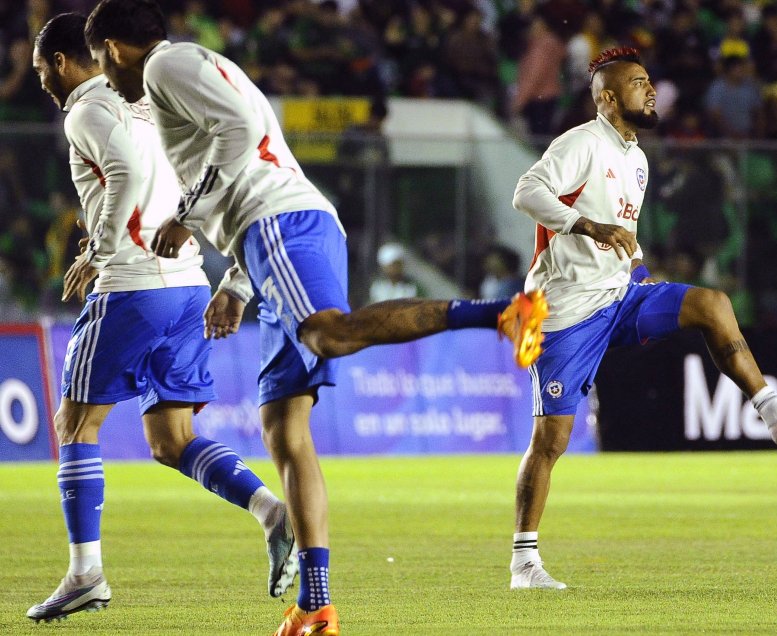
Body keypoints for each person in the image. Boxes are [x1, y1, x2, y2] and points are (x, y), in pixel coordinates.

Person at [82, 2, 548, 633]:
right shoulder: (186, 68)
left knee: (330, 332)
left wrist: (187, 214)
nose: (107, 81)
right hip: (265, 238)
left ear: (113, 47)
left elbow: (243, 133)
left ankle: (503, 312)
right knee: (282, 428)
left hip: (281, 225)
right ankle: (316, 604)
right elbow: (251, 154)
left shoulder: (167, 64)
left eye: (102, 65)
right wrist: (239, 284)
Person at [507, 46, 777, 590]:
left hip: (619, 296)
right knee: (551, 441)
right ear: (609, 97)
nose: (651, 89)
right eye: (639, 83)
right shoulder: (581, 142)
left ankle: (775, 411)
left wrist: (638, 269)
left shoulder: (637, 158)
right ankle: (524, 563)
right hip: (563, 314)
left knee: (712, 305)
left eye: (650, 80)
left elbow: (625, 234)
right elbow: (527, 192)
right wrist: (588, 227)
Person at [27, 12, 296, 623]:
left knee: (73, 421)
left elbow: (126, 173)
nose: (42, 81)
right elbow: (188, 172)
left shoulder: (87, 109)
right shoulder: (150, 103)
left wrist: (99, 251)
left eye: (44, 69)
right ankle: (271, 512)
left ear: (67, 62)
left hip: (132, 283)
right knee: (171, 441)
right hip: (185, 285)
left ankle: (85, 574)